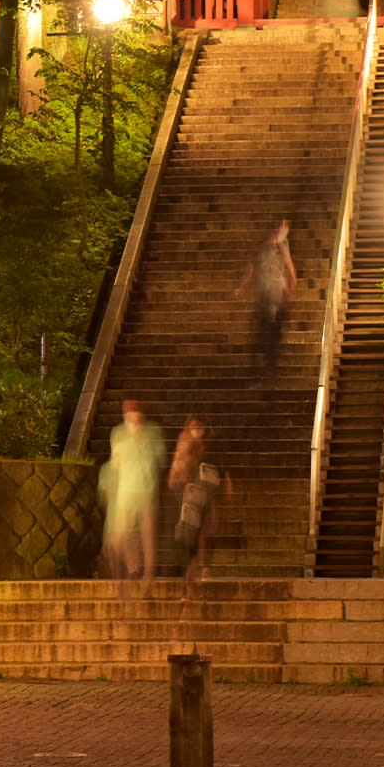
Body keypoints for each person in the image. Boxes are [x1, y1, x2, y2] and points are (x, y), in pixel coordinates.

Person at [102, 401, 164, 583]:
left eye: (135, 411)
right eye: (129, 412)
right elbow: (116, 464)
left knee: (148, 535)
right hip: (125, 492)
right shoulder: (118, 434)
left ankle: (148, 575)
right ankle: (133, 567)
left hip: (147, 491)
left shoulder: (153, 433)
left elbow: (160, 461)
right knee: (125, 532)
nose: (133, 416)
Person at [169, 417, 229, 590]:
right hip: (190, 496)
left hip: (209, 495)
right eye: (193, 427)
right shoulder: (185, 443)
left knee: (208, 531)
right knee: (194, 534)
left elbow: (220, 465)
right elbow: (178, 467)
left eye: (199, 427)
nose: (197, 430)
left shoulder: (210, 445)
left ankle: (205, 567)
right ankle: (193, 571)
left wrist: (226, 482)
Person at [236, 220, 297, 380]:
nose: (275, 234)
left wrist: (288, 293)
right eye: (275, 231)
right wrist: (242, 287)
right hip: (264, 297)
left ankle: (269, 364)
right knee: (263, 330)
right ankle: (263, 363)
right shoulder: (262, 249)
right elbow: (252, 268)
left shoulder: (282, 248)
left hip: (276, 297)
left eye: (278, 231)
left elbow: (290, 270)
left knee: (272, 332)